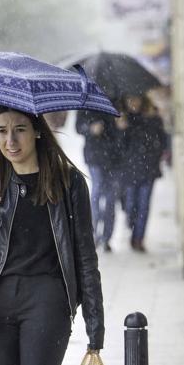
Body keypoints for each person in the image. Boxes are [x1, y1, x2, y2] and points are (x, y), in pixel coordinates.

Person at [0, 107, 104, 365]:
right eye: (2, 131)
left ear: (37, 131)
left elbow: (85, 254)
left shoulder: (67, 181)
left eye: (20, 130)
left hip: (47, 299)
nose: (10, 141)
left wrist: (95, 326)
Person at [121, 95, 168, 252]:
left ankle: (138, 238)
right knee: (130, 205)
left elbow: (162, 141)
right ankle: (132, 227)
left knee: (144, 205)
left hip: (148, 169)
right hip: (130, 169)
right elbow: (119, 146)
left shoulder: (153, 119)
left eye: (136, 100)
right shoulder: (125, 120)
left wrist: (156, 157)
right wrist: (121, 128)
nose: (133, 103)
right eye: (130, 100)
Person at [76, 106, 125, 251]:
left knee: (110, 198)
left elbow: (122, 133)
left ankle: (106, 237)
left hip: (114, 157)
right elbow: (78, 127)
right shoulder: (85, 103)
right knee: (97, 192)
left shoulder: (115, 103)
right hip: (95, 156)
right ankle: (92, 233)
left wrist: (119, 126)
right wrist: (91, 129)